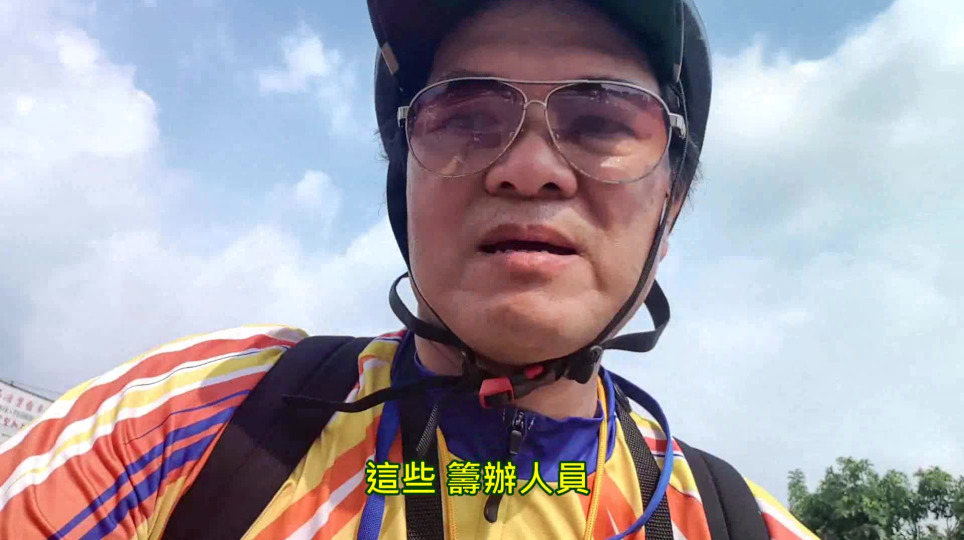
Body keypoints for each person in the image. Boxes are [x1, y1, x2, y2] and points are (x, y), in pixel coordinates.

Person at [0, 0, 818, 538]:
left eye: (601, 120)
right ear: (404, 187)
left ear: (671, 209)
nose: (528, 169)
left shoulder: (733, 526)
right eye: (468, 116)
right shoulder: (189, 422)